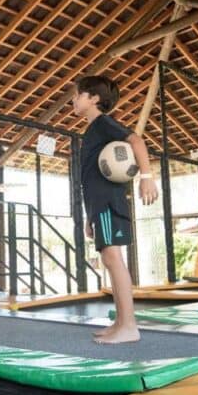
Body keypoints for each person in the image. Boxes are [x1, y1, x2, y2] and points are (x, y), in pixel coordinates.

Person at [71, 75, 158, 344]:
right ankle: (120, 323)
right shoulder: (92, 131)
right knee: (110, 260)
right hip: (100, 206)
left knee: (112, 260)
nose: (73, 99)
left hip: (109, 202)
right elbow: (90, 179)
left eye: (78, 94)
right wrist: (90, 216)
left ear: (93, 99)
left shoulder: (103, 123)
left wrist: (146, 177)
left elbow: (137, 141)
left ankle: (129, 326)